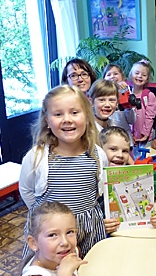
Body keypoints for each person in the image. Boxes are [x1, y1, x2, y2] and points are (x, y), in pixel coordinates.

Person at [19, 85, 108, 258]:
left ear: (87, 116)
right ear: (47, 120)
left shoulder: (98, 155)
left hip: (88, 229)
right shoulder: (36, 157)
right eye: (58, 114)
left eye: (74, 112)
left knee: (87, 273)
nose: (67, 119)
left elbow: (100, 190)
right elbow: (26, 190)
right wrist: (46, 218)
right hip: (51, 232)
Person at [12, 201, 87, 276]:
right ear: (33, 243)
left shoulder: (69, 253)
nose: (65, 242)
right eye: (52, 235)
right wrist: (64, 275)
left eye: (69, 232)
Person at [99, 126, 156, 232]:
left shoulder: (131, 177)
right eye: (113, 149)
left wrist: (151, 219)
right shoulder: (94, 180)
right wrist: (99, 226)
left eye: (125, 151)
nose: (120, 155)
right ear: (99, 150)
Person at [88, 79, 136, 156]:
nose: (107, 104)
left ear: (117, 103)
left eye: (112, 100)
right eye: (102, 100)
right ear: (92, 102)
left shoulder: (112, 124)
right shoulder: (90, 130)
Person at [102, 64, 137, 139]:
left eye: (116, 73)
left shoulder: (126, 92)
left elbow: (132, 120)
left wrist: (128, 107)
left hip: (124, 136)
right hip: (108, 137)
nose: (112, 76)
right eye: (108, 74)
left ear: (123, 78)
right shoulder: (101, 95)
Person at [129, 60, 156, 146]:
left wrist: (145, 134)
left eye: (144, 75)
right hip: (128, 138)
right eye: (137, 73)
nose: (140, 76)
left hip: (145, 139)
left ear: (147, 79)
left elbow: (150, 116)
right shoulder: (125, 94)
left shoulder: (149, 96)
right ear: (131, 75)